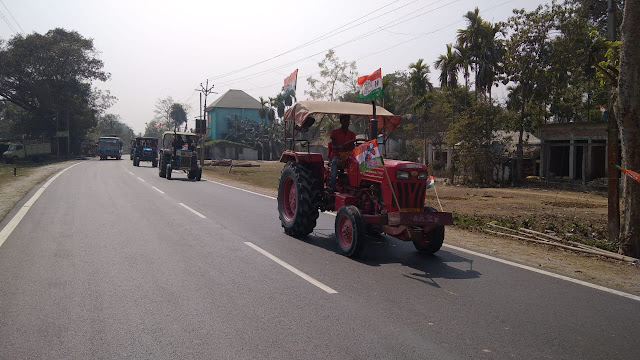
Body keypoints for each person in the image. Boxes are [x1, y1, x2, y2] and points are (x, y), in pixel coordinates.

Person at [329, 114, 356, 191]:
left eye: (348, 121)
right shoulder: (335, 133)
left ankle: (354, 186)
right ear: (341, 121)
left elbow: (352, 146)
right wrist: (340, 147)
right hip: (337, 154)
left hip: (347, 155)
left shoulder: (352, 134)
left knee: (356, 165)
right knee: (335, 163)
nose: (346, 123)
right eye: (344, 121)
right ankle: (332, 186)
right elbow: (333, 146)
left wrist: (350, 149)